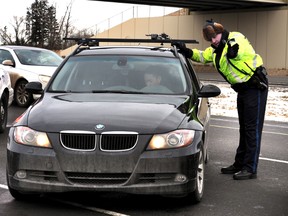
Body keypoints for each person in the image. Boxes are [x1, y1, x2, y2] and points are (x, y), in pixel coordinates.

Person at [173, 20, 268, 180]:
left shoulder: (235, 38)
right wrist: (186, 51)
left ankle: (250, 168)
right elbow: (202, 56)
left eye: (215, 37)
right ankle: (239, 164)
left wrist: (233, 53)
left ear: (221, 32)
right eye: (210, 39)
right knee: (244, 128)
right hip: (243, 90)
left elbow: (239, 49)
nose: (213, 41)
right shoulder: (215, 50)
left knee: (252, 129)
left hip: (255, 87)